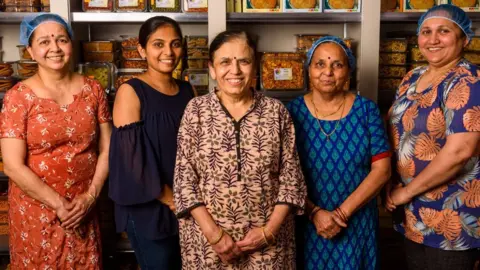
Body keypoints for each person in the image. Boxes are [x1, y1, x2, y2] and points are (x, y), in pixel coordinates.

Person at [173, 30, 307, 269]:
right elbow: (185, 181)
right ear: (212, 69)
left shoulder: (275, 112)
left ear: (254, 68)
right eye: (224, 62)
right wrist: (215, 236)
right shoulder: (196, 111)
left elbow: (291, 181)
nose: (234, 70)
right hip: (207, 245)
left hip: (269, 248)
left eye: (243, 61)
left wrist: (268, 232)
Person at [0, 13, 111, 269]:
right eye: (44, 42)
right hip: (36, 210)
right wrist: (59, 205)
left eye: (62, 40)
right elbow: (13, 165)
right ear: (30, 50)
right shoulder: (18, 98)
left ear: (71, 43)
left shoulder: (93, 90)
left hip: (84, 207)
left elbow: (107, 148)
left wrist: (89, 198)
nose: (54, 48)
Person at [385, 4, 480, 270]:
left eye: (444, 31)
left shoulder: (467, 81)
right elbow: (396, 128)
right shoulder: (413, 76)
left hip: (451, 221)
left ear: (464, 39)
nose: (433, 39)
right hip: (414, 215)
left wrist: (405, 192)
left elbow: (460, 152)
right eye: (426, 31)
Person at [286, 36, 391, 270]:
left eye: (337, 65)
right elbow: (283, 176)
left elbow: (382, 170)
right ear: (308, 70)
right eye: (320, 64)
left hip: (357, 222)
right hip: (308, 224)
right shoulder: (289, 113)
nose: (328, 72)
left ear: (349, 72)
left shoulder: (366, 111)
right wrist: (315, 213)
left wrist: (341, 214)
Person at [108, 16, 194, 270]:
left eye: (175, 44)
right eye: (158, 44)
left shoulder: (188, 91)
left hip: (187, 204)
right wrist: (172, 200)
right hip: (150, 208)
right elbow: (133, 162)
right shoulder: (131, 91)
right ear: (142, 50)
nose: (168, 52)